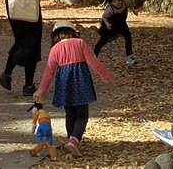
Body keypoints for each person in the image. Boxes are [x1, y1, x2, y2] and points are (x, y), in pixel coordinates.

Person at [35, 19, 115, 158]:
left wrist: (41, 89)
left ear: (56, 36)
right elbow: (93, 61)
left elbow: (49, 71)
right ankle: (74, 141)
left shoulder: (55, 49)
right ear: (73, 32)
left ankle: (71, 140)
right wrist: (105, 75)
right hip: (80, 82)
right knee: (82, 115)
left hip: (64, 84)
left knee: (70, 114)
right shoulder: (80, 43)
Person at [94, 0, 137, 66]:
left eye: (118, 0)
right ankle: (94, 55)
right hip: (111, 25)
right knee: (103, 40)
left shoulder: (124, 2)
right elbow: (104, 17)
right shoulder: (110, 10)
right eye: (114, 1)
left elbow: (130, 4)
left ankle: (129, 56)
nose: (117, 2)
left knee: (128, 36)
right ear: (110, 3)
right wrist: (107, 24)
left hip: (122, 23)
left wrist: (134, 11)